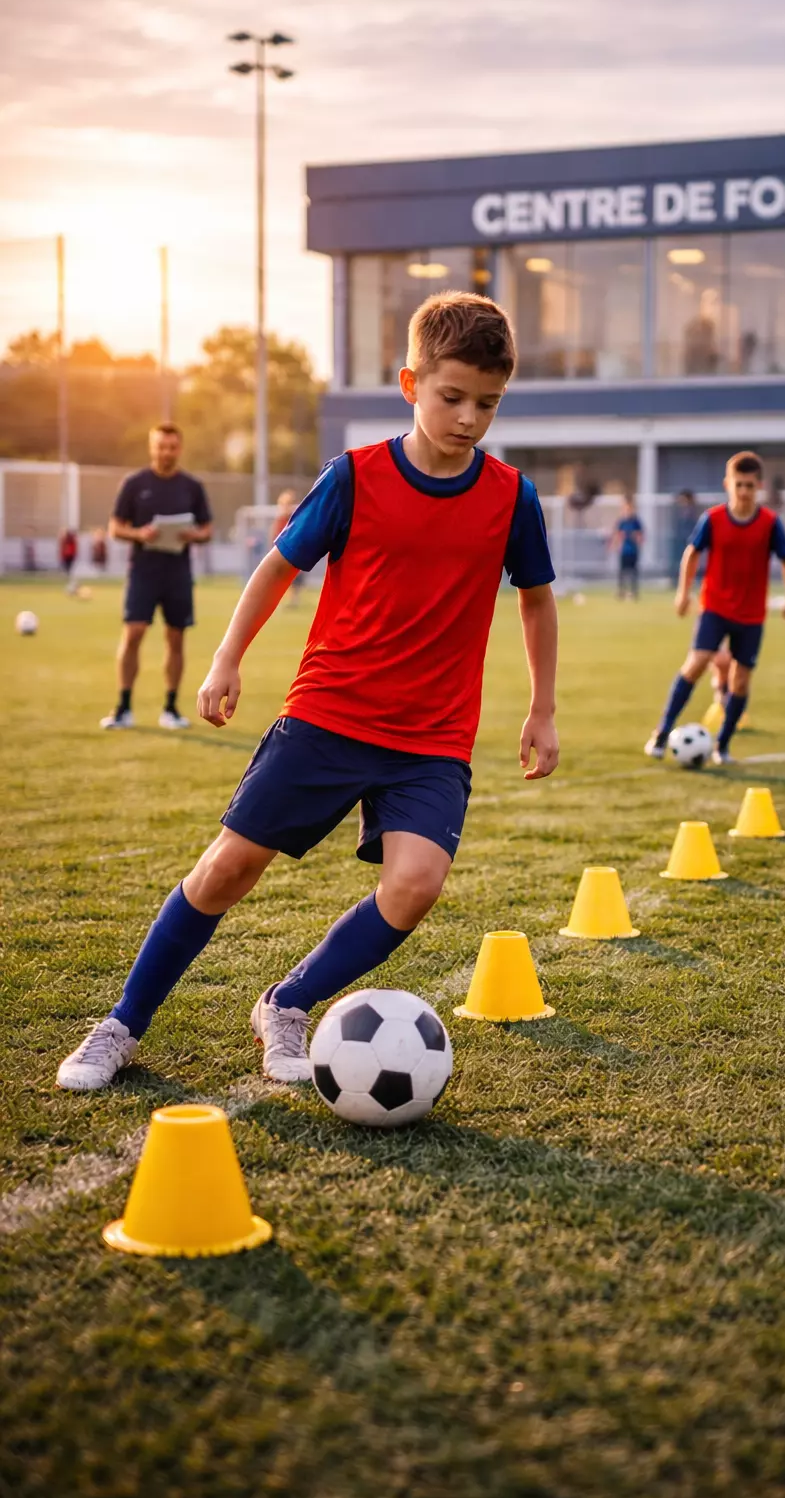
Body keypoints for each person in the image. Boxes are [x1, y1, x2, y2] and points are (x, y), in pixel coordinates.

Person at [57, 291, 559, 1092]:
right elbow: (277, 568)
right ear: (410, 383)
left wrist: (542, 708)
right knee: (229, 867)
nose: (469, 418)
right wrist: (226, 659)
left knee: (416, 883)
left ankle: (288, 1003)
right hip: (329, 714)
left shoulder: (512, 498)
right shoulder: (354, 477)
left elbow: (535, 598)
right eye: (452, 397)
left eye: (487, 404)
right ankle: (122, 1021)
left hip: (431, 737)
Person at [645, 451, 785, 766]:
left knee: (740, 681)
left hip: (751, 615)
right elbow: (692, 553)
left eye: (750, 486)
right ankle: (661, 733)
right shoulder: (713, 519)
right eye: (738, 484)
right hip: (714, 607)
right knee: (697, 662)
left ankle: (723, 746)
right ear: (727, 484)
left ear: (760, 487)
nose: (743, 491)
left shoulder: (769, 523)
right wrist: (683, 593)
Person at [100, 423, 213, 731]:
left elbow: (207, 530)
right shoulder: (135, 483)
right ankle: (123, 707)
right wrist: (139, 533)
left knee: (175, 638)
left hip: (177, 572)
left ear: (180, 448)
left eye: (172, 447)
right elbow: (115, 527)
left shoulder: (191, 486)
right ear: (152, 447)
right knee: (133, 633)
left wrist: (193, 535)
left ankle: (171, 708)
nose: (166, 452)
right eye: (161, 446)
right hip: (143, 571)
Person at [613, 496, 644, 599]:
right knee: (622, 573)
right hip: (623, 551)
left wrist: (635, 536)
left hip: (633, 551)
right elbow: (617, 535)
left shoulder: (636, 522)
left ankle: (633, 593)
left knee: (633, 573)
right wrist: (616, 544)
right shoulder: (621, 522)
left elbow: (641, 536)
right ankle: (621, 592)